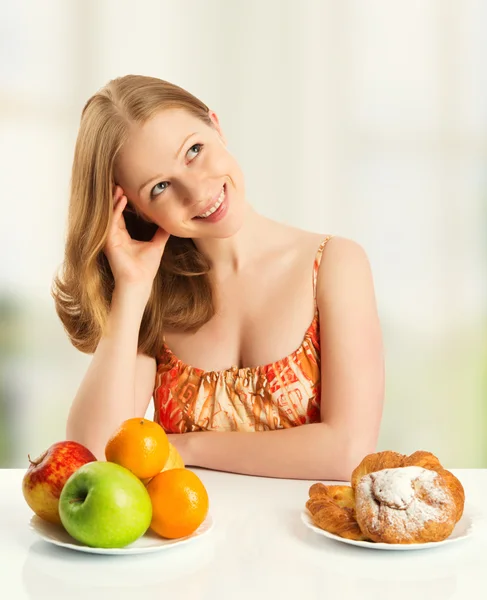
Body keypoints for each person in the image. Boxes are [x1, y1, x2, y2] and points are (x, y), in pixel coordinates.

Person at [52, 74, 384, 481]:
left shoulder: (335, 264)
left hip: (306, 542)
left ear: (216, 125)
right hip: (186, 540)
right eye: (159, 188)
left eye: (194, 150)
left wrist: (183, 446)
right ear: (135, 211)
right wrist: (132, 288)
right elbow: (92, 453)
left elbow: (347, 450)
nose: (196, 192)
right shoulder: (153, 297)